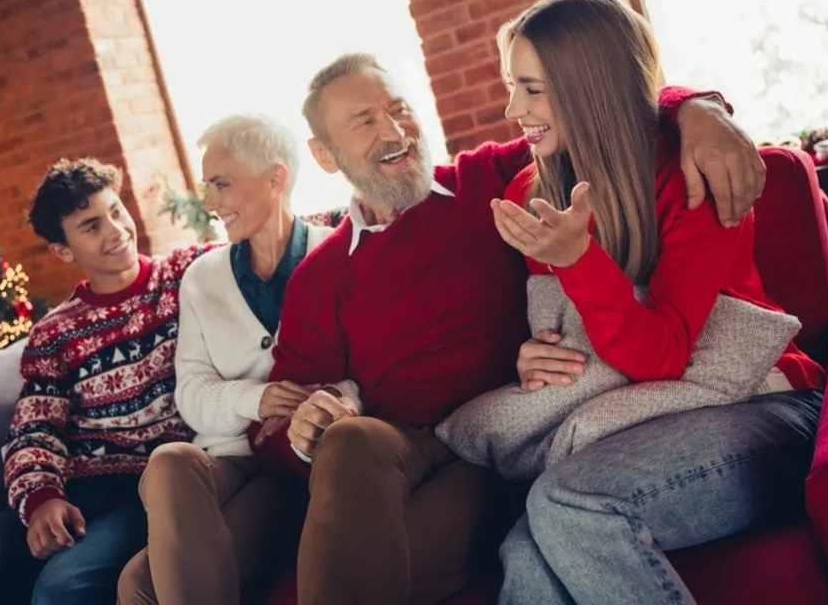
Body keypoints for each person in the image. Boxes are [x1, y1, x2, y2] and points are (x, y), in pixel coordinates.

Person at [252, 51, 767, 604]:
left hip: (498, 442)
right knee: (350, 437)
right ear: (325, 156)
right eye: (366, 121)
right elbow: (279, 422)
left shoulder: (492, 180)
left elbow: (592, 115)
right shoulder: (319, 277)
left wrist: (696, 109)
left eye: (398, 109)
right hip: (398, 452)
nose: (395, 129)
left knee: (387, 564)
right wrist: (301, 433)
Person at [488, 0, 825, 605]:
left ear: (590, 87)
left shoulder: (699, 172)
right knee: (520, 553)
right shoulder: (531, 189)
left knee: (569, 504)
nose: (513, 108)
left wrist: (579, 260)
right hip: (639, 419)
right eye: (512, 84)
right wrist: (534, 356)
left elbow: (663, 356)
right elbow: (575, 333)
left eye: (532, 88)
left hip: (765, 404)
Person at [0, 159, 210, 605]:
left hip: (145, 486)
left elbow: (263, 240)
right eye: (91, 226)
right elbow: (33, 428)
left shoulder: (182, 276)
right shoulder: (54, 332)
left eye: (117, 211)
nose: (116, 230)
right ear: (64, 250)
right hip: (70, 484)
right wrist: (42, 497)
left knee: (62, 590)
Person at [118, 114, 336, 605]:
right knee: (170, 460)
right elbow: (191, 395)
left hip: (292, 467)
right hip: (224, 462)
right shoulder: (203, 276)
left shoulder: (333, 256)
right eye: (207, 187)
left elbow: (363, 371)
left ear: (275, 178)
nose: (210, 203)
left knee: (138, 585)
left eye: (221, 184)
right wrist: (256, 398)